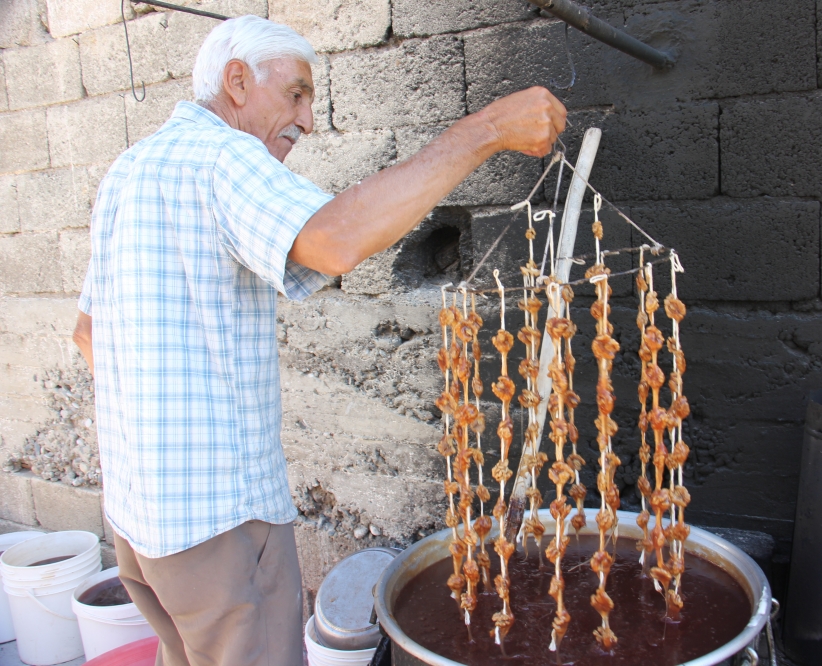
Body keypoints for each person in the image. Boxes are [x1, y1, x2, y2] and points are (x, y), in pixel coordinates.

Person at [71, 14, 566, 666]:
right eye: (296, 94)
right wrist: (489, 130)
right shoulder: (223, 155)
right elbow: (333, 240)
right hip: (217, 530)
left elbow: (86, 336)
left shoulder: (127, 172)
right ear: (238, 81)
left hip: (141, 527)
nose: (307, 120)